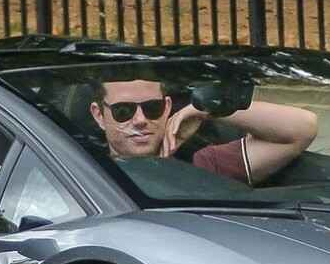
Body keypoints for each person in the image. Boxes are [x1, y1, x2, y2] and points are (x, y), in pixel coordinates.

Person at [90, 74, 317, 185]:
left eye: (152, 108)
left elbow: (303, 128)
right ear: (99, 115)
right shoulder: (82, 175)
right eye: (123, 111)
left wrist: (204, 110)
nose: (140, 120)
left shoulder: (202, 164)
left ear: (167, 107)